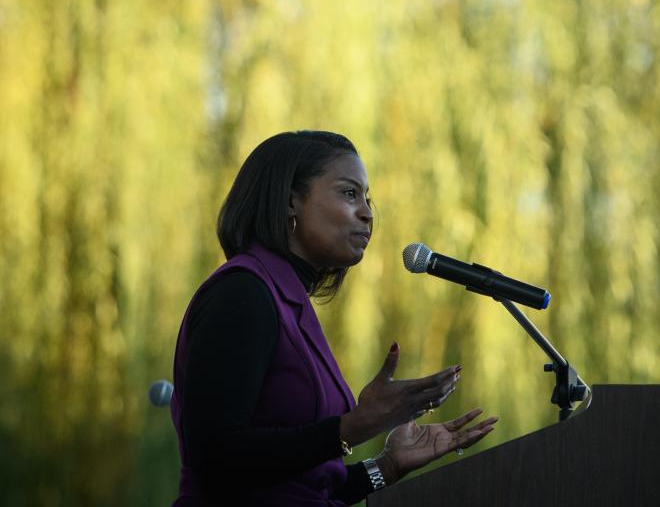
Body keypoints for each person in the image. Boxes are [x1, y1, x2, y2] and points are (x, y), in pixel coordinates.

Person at [170, 130, 497, 505]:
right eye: (348, 193)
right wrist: (351, 427)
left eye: (367, 198)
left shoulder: (287, 301)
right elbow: (215, 458)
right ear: (290, 200)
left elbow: (303, 486)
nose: (367, 213)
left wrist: (388, 466)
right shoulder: (242, 294)